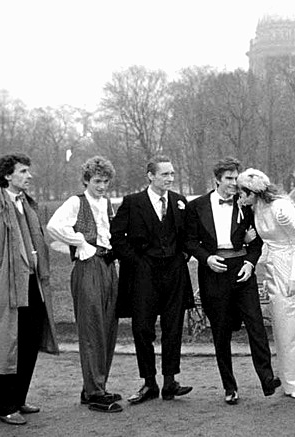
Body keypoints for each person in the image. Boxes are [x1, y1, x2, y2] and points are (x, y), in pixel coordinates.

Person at [0, 154, 59, 425]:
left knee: (29, 342)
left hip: (33, 285)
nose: (29, 176)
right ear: (8, 176)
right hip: (7, 289)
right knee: (8, 344)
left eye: (28, 171)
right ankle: (6, 407)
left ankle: (19, 399)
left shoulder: (27, 204)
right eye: (23, 171)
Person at [184, 157, 281, 405]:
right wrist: (206, 259)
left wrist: (250, 263)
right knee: (221, 332)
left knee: (256, 325)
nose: (232, 184)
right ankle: (230, 387)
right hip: (214, 272)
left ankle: (267, 379)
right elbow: (190, 241)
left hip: (242, 271)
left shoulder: (246, 206)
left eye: (235, 179)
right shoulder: (197, 207)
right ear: (216, 179)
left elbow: (257, 243)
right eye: (228, 179)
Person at [110, 155, 194, 406]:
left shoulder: (179, 202)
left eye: (172, 174)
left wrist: (183, 256)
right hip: (143, 277)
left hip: (174, 275)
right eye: (165, 174)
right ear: (151, 176)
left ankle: (170, 381)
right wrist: (137, 262)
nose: (170, 178)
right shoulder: (132, 203)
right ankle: (149, 382)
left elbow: (189, 236)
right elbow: (117, 238)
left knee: (173, 328)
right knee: (142, 329)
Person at [237, 168, 295, 400]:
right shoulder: (256, 209)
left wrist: (294, 276)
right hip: (274, 269)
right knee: (283, 330)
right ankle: (290, 380)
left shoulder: (281, 207)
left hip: (292, 267)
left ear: (253, 192)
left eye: (242, 193)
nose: (240, 198)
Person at [46, 156, 122, 413]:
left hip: (108, 266)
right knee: (92, 329)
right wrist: (80, 243)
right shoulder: (76, 202)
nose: (102, 186)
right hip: (88, 267)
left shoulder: (106, 203)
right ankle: (95, 392)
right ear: (87, 180)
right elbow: (54, 227)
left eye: (106, 181)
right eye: (97, 181)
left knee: (108, 326)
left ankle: (95, 385)